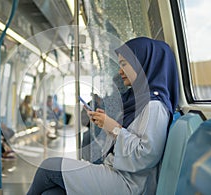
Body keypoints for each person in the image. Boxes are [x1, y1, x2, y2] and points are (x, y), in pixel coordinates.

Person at [26, 37, 179, 194]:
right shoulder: (138, 100)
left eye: (124, 64)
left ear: (142, 63)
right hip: (119, 171)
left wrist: (113, 127)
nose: (120, 71)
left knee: (49, 168)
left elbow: (145, 155)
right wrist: (105, 124)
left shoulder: (154, 106)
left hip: (130, 183)